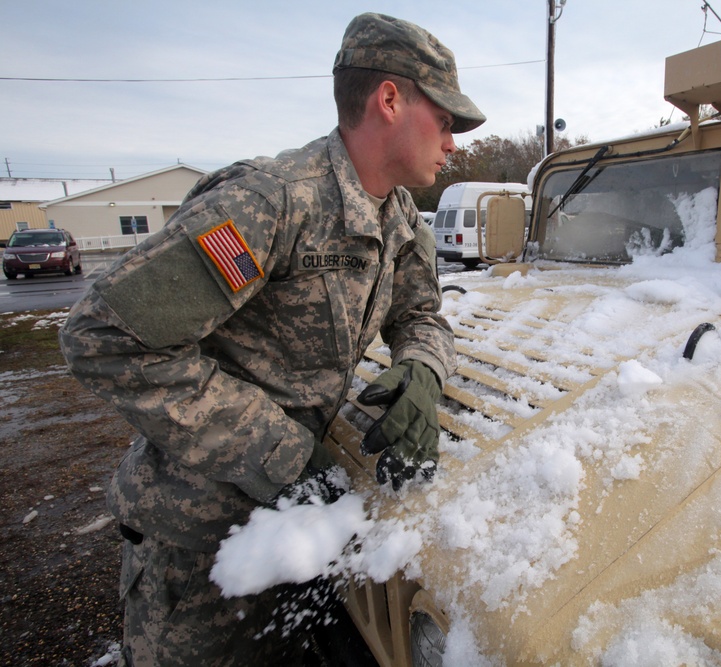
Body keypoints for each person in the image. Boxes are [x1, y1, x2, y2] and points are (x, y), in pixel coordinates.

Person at [59, 12, 485, 666]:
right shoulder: (273, 202)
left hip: (292, 527)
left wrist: (421, 371)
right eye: (448, 119)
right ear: (390, 100)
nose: (453, 142)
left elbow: (423, 313)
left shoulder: (399, 216)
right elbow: (105, 337)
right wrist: (280, 452)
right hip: (198, 541)